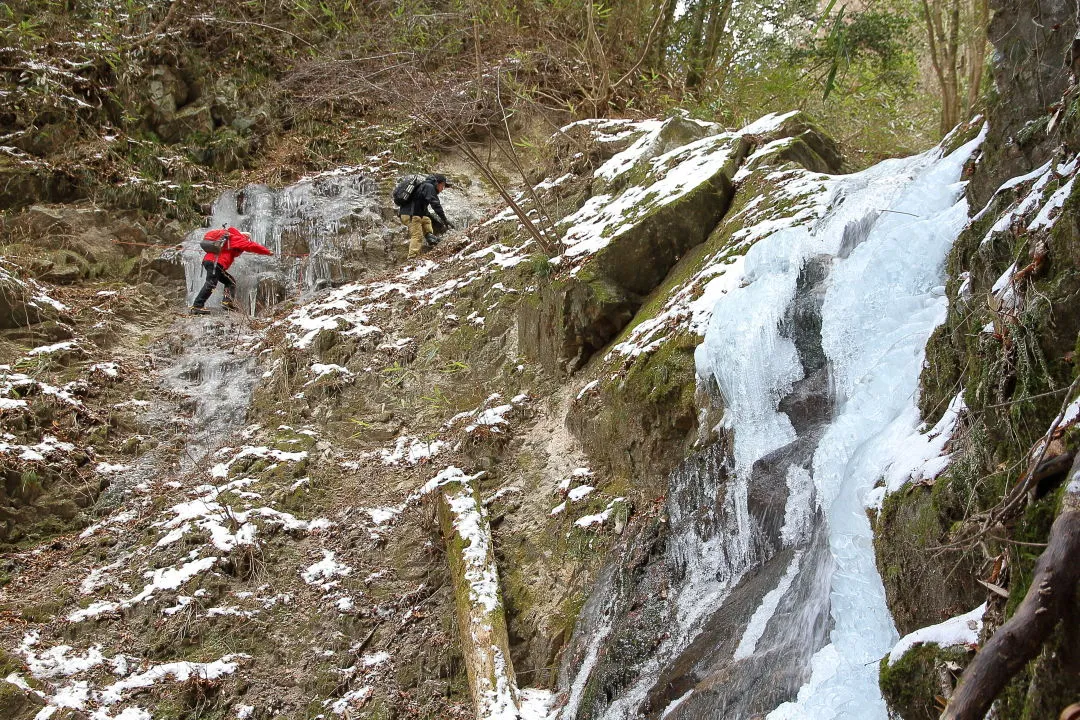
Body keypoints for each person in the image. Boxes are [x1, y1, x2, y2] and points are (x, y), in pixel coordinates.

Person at [189, 226, 273, 315]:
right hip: (215, 262)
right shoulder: (236, 238)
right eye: (247, 239)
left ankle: (227, 302)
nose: (248, 240)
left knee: (230, 281)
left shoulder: (229, 239)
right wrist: (267, 252)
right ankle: (197, 305)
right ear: (245, 237)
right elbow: (251, 246)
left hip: (212, 262)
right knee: (211, 283)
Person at [397, 173, 455, 259]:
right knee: (417, 236)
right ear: (438, 183)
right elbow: (435, 204)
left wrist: (438, 221)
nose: (442, 189)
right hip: (411, 215)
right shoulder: (429, 187)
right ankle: (412, 258)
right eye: (442, 186)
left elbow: (423, 209)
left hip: (409, 214)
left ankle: (430, 237)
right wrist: (444, 219)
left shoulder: (423, 186)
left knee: (426, 219)